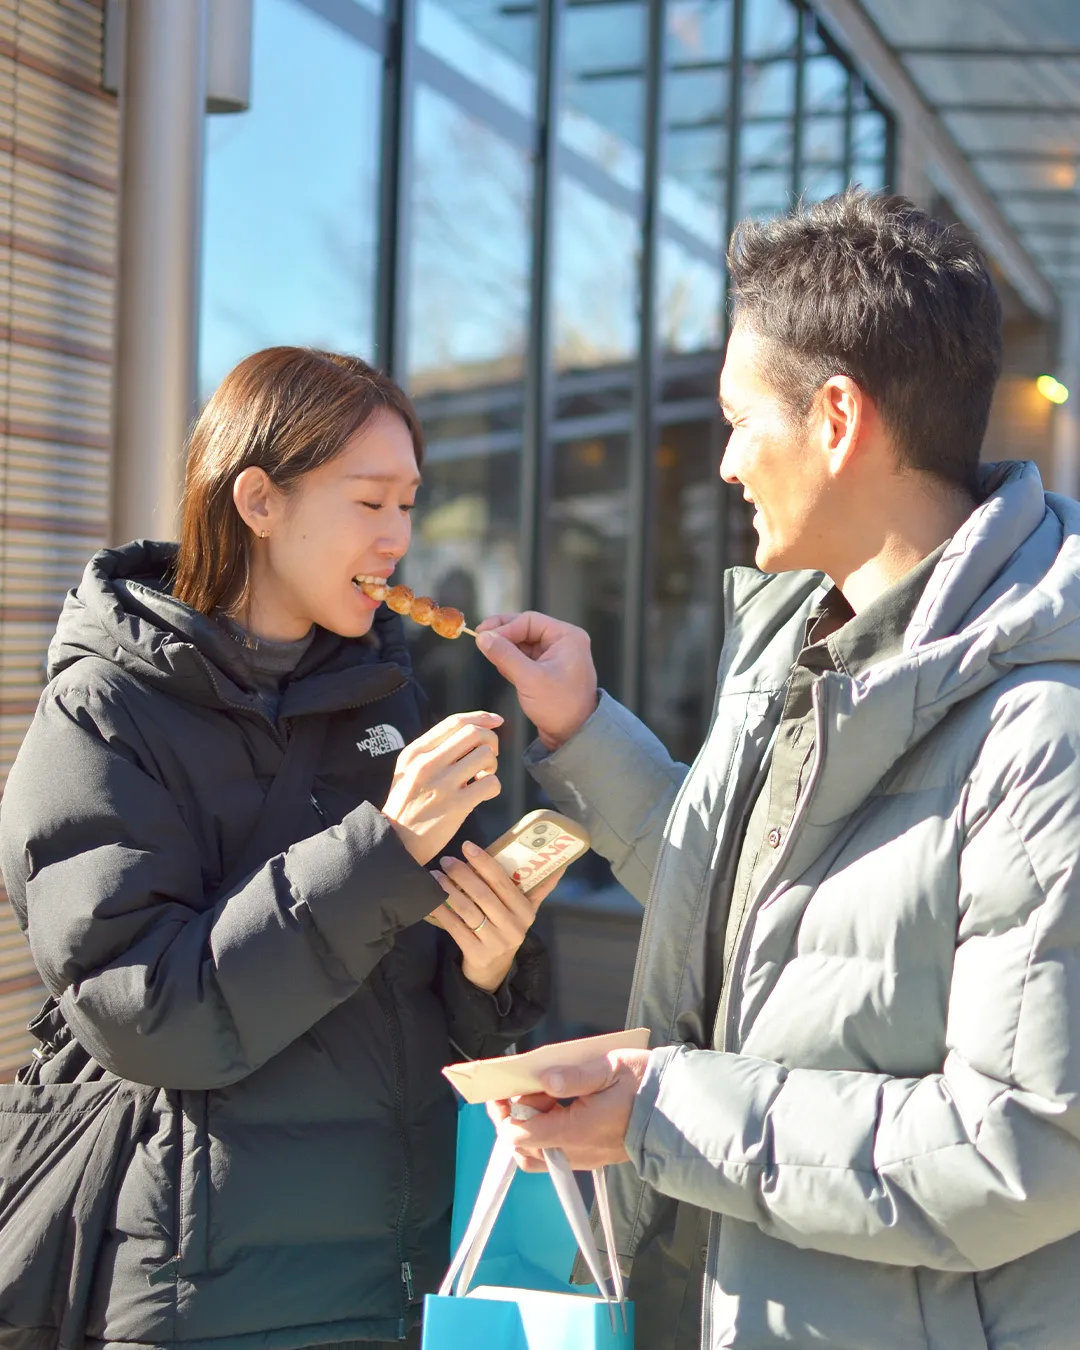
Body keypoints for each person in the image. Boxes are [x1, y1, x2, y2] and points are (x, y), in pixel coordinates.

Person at [476, 190, 1080, 1350]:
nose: (723, 464)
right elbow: (755, 908)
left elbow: (1022, 1148)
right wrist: (584, 727)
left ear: (838, 418)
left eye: (741, 420)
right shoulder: (803, 638)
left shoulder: (1043, 730)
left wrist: (659, 1115)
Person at [0, 348, 553, 1349]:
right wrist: (381, 850)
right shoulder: (106, 710)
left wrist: (488, 963)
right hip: (207, 1293)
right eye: (369, 503)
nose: (397, 538)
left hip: (409, 1278)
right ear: (259, 499)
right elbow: (146, 1009)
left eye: (409, 505)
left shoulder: (387, 700)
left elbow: (430, 1006)